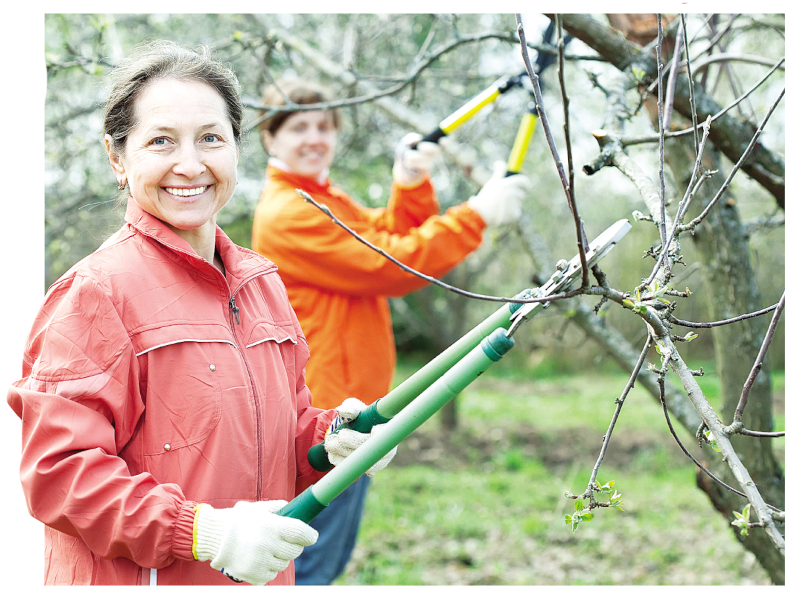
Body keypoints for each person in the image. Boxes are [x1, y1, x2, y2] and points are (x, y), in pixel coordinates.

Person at [7, 40, 393, 586]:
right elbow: (59, 475)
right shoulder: (95, 293)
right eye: (161, 141)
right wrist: (203, 532)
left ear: (237, 149)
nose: (190, 164)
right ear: (118, 158)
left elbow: (280, 437)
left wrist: (332, 440)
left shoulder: (261, 284)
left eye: (211, 138)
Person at [252, 79, 532, 585]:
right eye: (299, 127)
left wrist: (410, 182)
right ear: (270, 139)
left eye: (324, 126)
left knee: (319, 560)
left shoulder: (321, 198)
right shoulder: (290, 213)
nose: (315, 138)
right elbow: (391, 264)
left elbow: (388, 237)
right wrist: (478, 215)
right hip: (326, 413)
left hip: (351, 406)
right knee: (308, 566)